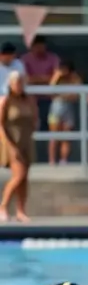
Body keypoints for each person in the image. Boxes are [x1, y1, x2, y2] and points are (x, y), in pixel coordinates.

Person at [0, 70, 36, 222]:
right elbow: (1, 124)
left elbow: (34, 117)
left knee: (24, 178)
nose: (19, 86)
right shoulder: (6, 101)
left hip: (26, 140)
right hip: (11, 141)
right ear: (11, 84)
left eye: (21, 82)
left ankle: (21, 210)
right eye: (16, 83)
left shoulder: (29, 100)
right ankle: (3, 206)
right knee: (18, 175)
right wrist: (10, 145)